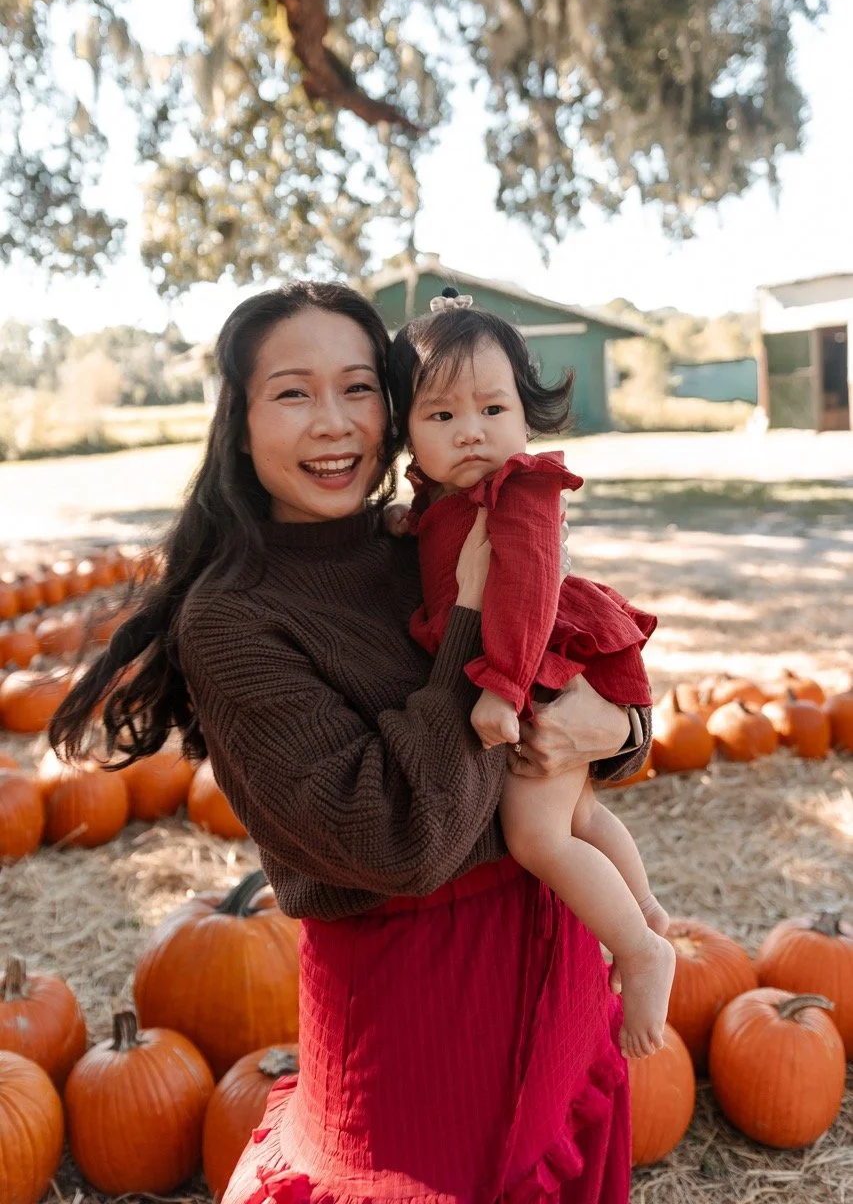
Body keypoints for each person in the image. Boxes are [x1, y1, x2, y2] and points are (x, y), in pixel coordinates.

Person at [50, 281, 653, 1204]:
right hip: (419, 1029)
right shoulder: (233, 619)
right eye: (292, 392)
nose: (333, 423)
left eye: (358, 388)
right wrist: (464, 621)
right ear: (239, 421)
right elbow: (397, 843)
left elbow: (562, 674)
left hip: (558, 973)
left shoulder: (424, 533)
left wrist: (614, 731)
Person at [387, 288, 674, 1059]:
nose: (470, 431)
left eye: (491, 408)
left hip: (531, 668)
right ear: (407, 433)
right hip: (527, 671)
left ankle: (642, 951)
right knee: (578, 818)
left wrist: (503, 687)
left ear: (525, 414)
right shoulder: (447, 497)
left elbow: (524, 588)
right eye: (441, 417)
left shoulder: (520, 490)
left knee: (537, 838)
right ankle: (641, 907)